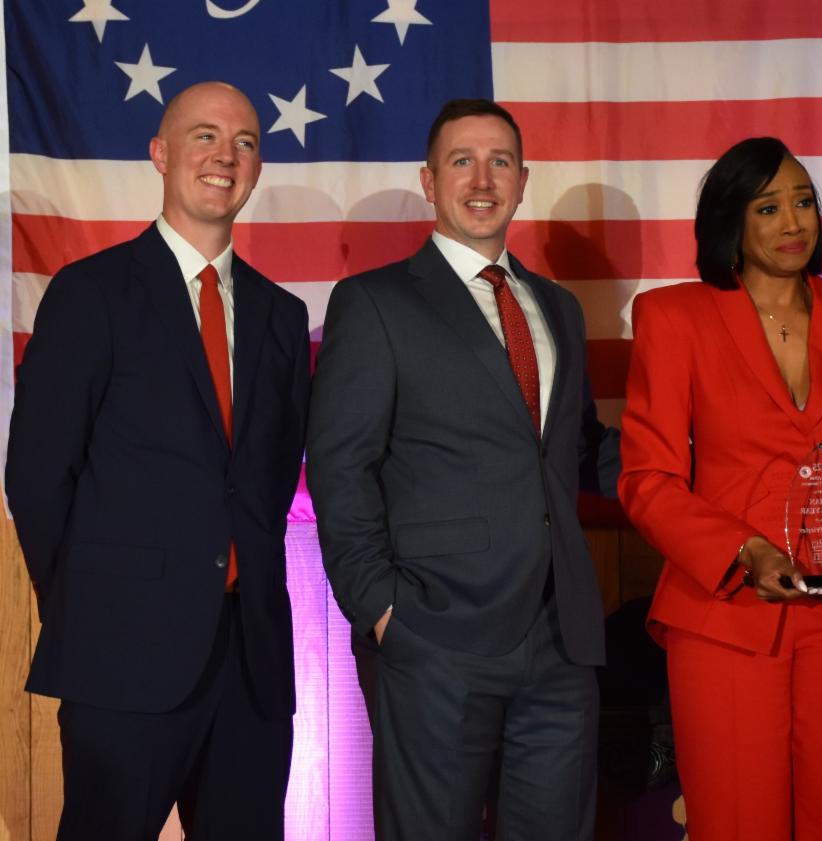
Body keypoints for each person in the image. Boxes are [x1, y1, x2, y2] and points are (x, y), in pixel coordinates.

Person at [306, 98, 619, 841]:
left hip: (561, 639)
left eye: (500, 162)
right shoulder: (374, 303)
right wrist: (382, 609)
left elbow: (574, 448)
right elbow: (341, 468)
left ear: (523, 181)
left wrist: (706, 463)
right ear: (429, 180)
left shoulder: (559, 308)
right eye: (462, 161)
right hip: (433, 635)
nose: (483, 179)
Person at [5, 81, 310, 840]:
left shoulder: (283, 315)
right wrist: (89, 604)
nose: (225, 155)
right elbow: (37, 474)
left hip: (252, 663)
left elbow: (269, 482)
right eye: (205, 135)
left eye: (245, 143)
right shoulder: (91, 292)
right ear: (160, 154)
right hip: (120, 654)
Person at [618, 136, 822, 840]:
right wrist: (745, 551)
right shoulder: (674, 317)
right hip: (727, 608)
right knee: (735, 820)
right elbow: (647, 479)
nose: (793, 223)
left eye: (804, 202)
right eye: (768, 207)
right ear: (730, 220)